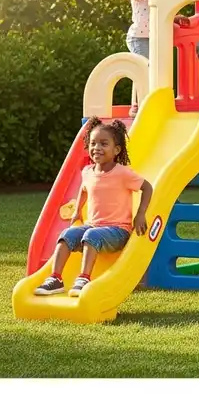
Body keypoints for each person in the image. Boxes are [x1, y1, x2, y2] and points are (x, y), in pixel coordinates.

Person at [34, 118, 153, 297]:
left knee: (91, 234)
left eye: (104, 144)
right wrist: (76, 211)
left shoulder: (122, 173)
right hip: (93, 226)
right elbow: (83, 190)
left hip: (118, 231)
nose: (97, 148)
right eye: (93, 143)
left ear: (117, 150)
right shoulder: (88, 172)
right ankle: (56, 278)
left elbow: (147, 187)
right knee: (66, 235)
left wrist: (141, 213)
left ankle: (84, 278)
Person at [122, 0, 162, 116]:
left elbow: (158, 13)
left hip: (151, 38)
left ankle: (148, 101)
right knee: (142, 69)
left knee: (153, 70)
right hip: (137, 38)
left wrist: (177, 18)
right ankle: (136, 105)